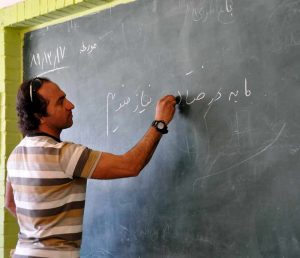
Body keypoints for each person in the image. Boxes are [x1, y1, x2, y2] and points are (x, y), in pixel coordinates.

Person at [5, 77, 176, 258]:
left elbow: (9, 204)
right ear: (40, 116)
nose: (70, 105)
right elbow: (131, 165)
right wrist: (159, 123)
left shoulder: (16, 154)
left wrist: (39, 232)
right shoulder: (62, 154)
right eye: (60, 102)